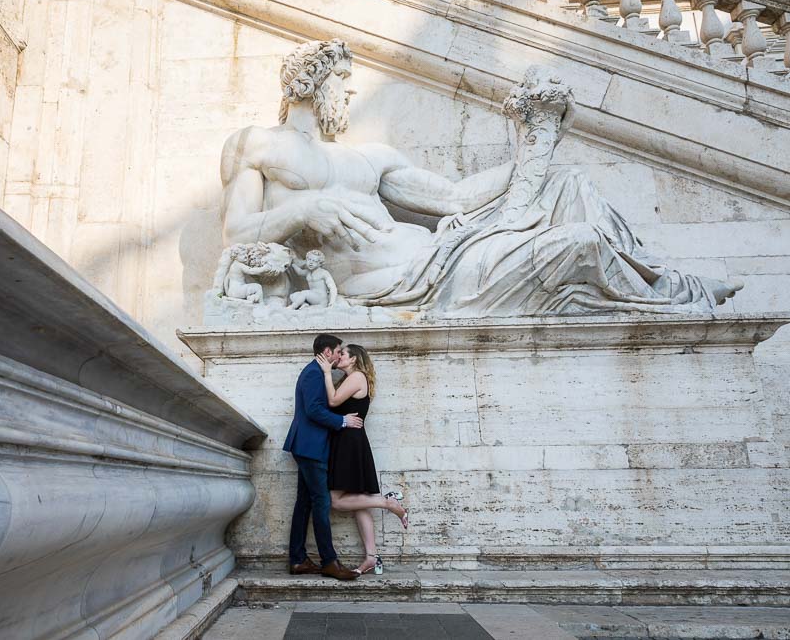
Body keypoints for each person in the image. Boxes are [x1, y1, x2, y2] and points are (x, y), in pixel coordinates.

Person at [219, 38, 742, 315]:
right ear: (312, 81)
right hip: (402, 283)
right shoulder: (259, 144)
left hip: (443, 255)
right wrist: (303, 209)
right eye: (343, 82)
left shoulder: (369, 158)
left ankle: (667, 283)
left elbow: (454, 197)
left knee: (568, 183)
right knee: (579, 242)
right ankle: (678, 296)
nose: (350, 95)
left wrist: (537, 141)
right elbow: (236, 233)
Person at [317, 344, 408, 576]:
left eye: (344, 354)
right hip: (350, 440)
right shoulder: (354, 377)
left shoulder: (357, 376)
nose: (339, 356)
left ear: (354, 359)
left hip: (349, 442)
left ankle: (387, 502)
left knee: (336, 501)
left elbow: (334, 401)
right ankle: (371, 557)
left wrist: (327, 373)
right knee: (360, 502)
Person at [283, 333, 364, 580]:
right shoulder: (313, 373)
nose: (340, 355)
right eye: (338, 351)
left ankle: (298, 560)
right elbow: (314, 409)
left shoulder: (318, 372)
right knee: (322, 502)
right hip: (310, 447)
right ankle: (329, 561)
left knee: (305, 502)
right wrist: (342, 420)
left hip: (309, 446)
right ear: (327, 352)